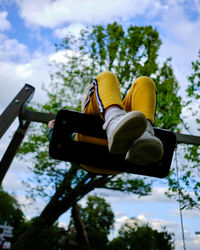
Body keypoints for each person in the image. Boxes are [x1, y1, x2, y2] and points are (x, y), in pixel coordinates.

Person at [48, 71, 163, 174]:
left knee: (143, 81)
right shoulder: (76, 133)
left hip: (101, 155)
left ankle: (141, 135)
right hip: (118, 162)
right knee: (108, 77)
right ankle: (120, 124)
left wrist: (51, 129)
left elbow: (58, 139)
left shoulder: (76, 132)